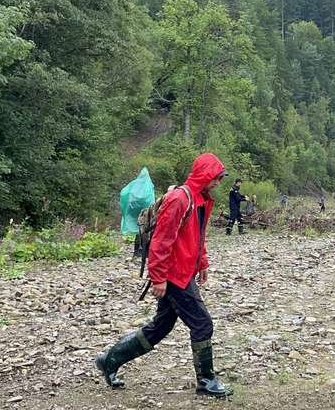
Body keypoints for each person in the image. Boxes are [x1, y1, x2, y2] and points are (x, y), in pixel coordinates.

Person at [95, 153, 233, 398]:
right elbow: (160, 241)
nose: (218, 183)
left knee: (161, 326)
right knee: (202, 324)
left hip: (183, 272)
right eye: (217, 178)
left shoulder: (201, 199)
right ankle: (206, 381)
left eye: (220, 179)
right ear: (205, 175)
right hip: (174, 275)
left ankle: (109, 360)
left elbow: (198, 237)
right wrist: (158, 277)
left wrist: (202, 263)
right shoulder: (180, 198)